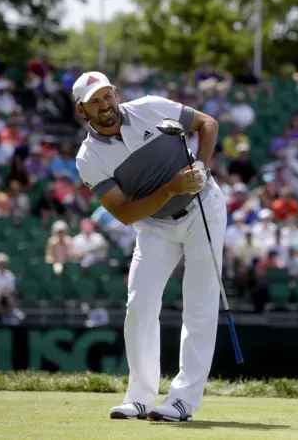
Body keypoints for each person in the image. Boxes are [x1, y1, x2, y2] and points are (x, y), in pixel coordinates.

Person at [72, 71, 226, 422]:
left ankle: (183, 401)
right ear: (83, 111)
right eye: (94, 102)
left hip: (203, 209)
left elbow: (207, 123)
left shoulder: (151, 108)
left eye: (107, 95)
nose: (105, 105)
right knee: (140, 304)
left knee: (199, 304)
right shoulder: (88, 158)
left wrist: (201, 164)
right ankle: (140, 396)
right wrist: (172, 188)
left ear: (116, 92)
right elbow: (125, 213)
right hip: (154, 225)